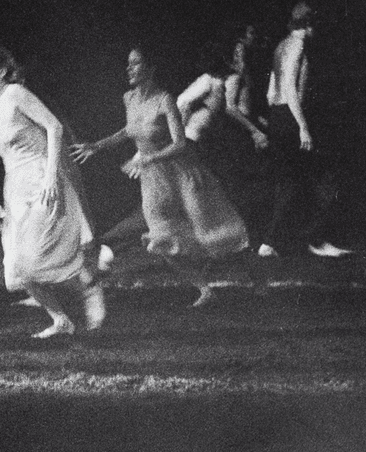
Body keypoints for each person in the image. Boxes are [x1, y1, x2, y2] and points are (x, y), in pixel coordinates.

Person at [74, 47, 249, 306]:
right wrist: (97, 146)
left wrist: (149, 159)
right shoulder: (129, 98)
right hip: (154, 180)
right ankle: (205, 290)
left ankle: (256, 275)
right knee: (161, 240)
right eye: (129, 63)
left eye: (135, 64)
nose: (129, 69)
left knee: (212, 233)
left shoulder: (165, 100)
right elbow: (128, 130)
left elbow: (180, 143)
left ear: (150, 69)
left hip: (182, 175)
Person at [0, 46, 104, 337]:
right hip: (14, 189)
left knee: (37, 258)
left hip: (43, 180)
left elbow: (54, 127)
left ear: (2, 71)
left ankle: (89, 287)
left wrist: (52, 177)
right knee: (17, 266)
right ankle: (60, 319)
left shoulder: (15, 94)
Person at [260, 3, 349, 258]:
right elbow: (289, 87)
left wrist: (277, 121)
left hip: (278, 117)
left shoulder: (280, 46)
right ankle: (316, 240)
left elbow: (269, 92)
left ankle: (270, 243)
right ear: (309, 25)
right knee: (324, 179)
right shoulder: (298, 46)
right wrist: (302, 127)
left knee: (289, 182)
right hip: (291, 118)